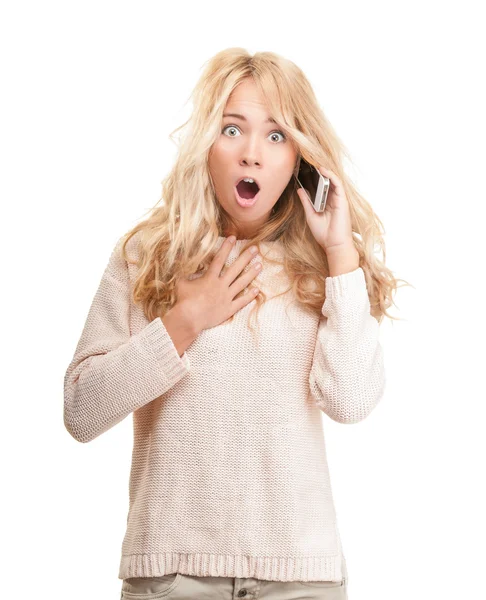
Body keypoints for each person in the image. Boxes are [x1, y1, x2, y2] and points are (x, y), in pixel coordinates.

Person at [64, 47, 404, 600]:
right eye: (231, 129)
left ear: (300, 158)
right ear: (206, 145)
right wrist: (184, 319)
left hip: (300, 576)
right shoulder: (145, 255)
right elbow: (81, 410)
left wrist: (341, 250)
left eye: (276, 136)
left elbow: (353, 400)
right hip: (172, 574)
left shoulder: (325, 267)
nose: (251, 154)